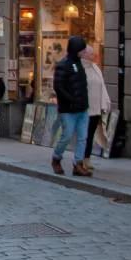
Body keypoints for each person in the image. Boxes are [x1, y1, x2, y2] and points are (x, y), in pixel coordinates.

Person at [52, 36, 92, 177]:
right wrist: (71, 100)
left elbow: (81, 85)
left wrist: (84, 102)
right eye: (81, 50)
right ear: (76, 50)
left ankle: (78, 164)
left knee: (82, 137)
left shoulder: (78, 63)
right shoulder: (63, 65)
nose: (83, 52)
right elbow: (58, 87)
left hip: (82, 108)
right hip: (68, 109)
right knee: (67, 135)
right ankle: (56, 158)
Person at [80, 43, 110, 175]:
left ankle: (87, 159)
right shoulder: (80, 68)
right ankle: (80, 160)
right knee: (83, 136)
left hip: (96, 108)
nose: (94, 55)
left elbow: (102, 86)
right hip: (85, 109)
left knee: (91, 134)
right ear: (84, 54)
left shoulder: (95, 68)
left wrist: (105, 103)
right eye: (91, 53)